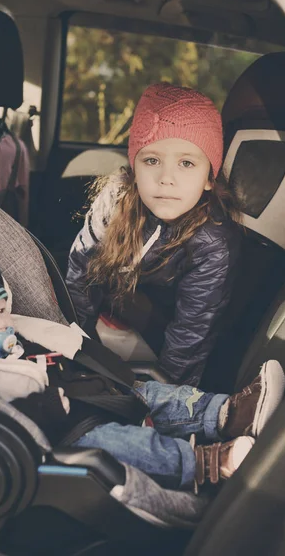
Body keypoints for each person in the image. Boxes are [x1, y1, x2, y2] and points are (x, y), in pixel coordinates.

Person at [0, 242, 285, 492]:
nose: (1, 324)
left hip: (94, 391)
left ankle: (227, 413)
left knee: (155, 394)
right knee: (130, 445)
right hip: (72, 431)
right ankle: (206, 464)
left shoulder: (20, 335)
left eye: (2, 310)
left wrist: (103, 373)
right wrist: (44, 407)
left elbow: (66, 347)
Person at [66, 83, 242, 386]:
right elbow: (79, 279)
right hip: (116, 314)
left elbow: (190, 336)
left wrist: (163, 397)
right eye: (152, 161)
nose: (166, 179)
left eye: (186, 163)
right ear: (134, 167)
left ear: (209, 179)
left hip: (165, 336)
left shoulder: (213, 243)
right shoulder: (116, 200)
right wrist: (73, 352)